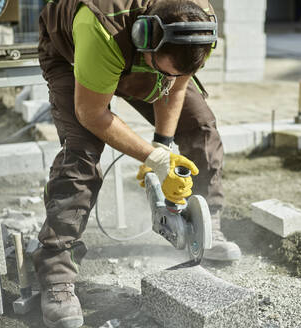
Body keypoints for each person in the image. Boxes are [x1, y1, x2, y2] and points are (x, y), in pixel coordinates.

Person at [32, 0, 241, 327]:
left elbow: (176, 83)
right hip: (73, 50)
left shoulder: (198, 26)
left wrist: (164, 144)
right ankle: (57, 272)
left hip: (146, 55)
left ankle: (207, 223)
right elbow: (92, 113)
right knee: (82, 153)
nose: (168, 77)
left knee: (199, 125)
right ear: (146, 36)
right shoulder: (99, 26)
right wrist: (153, 158)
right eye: (162, 68)